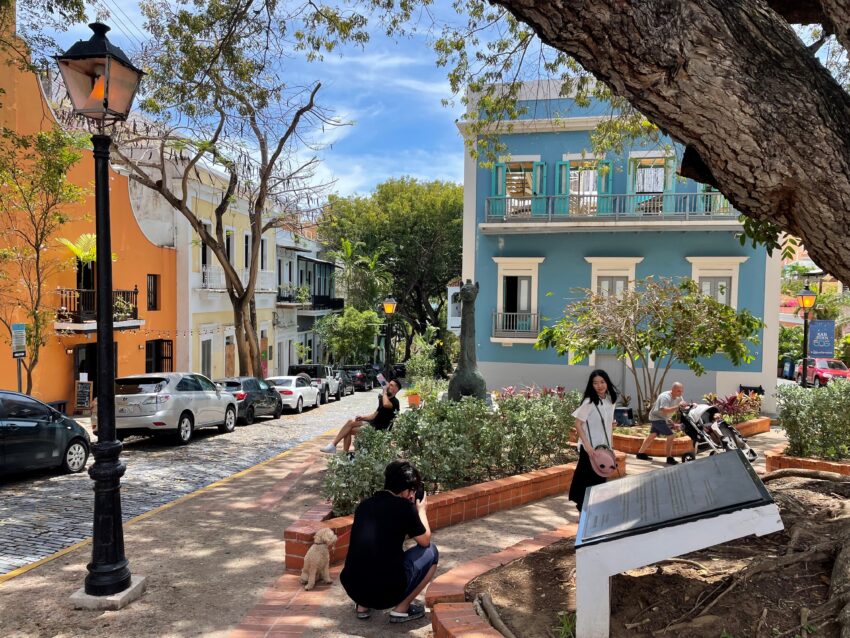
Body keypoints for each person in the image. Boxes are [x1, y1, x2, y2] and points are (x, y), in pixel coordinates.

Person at [340, 460, 438, 623]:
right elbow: (425, 541)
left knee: (369, 557)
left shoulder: (364, 505)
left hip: (353, 587)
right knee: (431, 552)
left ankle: (362, 606)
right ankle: (402, 609)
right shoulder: (405, 508)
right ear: (407, 490)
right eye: (412, 489)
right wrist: (421, 511)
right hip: (387, 593)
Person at [569, 369, 618, 512]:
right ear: (591, 385)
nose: (599, 385)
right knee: (587, 484)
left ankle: (593, 515)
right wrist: (588, 447)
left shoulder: (610, 401)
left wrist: (611, 446)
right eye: (595, 383)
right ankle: (583, 516)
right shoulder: (589, 402)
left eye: (602, 382)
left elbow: (607, 425)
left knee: (600, 482)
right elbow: (578, 424)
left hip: (604, 449)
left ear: (607, 383)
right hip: (590, 450)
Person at [320, 378, 401, 454]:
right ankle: (335, 447)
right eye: (388, 384)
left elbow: (386, 404)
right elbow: (374, 415)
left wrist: (384, 392)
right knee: (350, 422)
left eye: (391, 385)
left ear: (396, 389)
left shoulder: (395, 402)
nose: (388, 386)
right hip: (372, 424)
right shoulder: (383, 399)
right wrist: (363, 417)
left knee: (347, 431)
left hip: (378, 430)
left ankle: (340, 452)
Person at [636, 382, 690, 465]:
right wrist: (678, 406)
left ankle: (640, 454)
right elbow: (664, 410)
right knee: (671, 435)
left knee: (652, 435)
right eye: (678, 391)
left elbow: (682, 406)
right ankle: (669, 458)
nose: (681, 393)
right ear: (672, 390)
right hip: (656, 418)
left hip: (663, 418)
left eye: (682, 391)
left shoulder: (679, 396)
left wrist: (690, 405)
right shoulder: (665, 397)